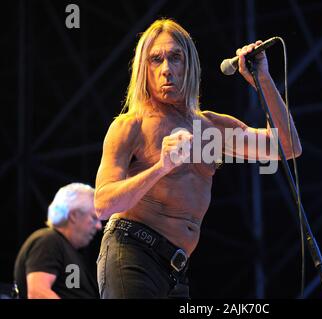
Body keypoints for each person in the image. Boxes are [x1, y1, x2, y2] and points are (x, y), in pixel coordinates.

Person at [94, 18, 302, 299]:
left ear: (189, 65)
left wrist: (262, 79)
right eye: (156, 60)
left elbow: (286, 147)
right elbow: (103, 205)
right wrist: (161, 167)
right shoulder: (131, 125)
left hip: (176, 269)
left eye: (175, 58)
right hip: (131, 251)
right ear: (144, 69)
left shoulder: (212, 128)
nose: (166, 69)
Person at [14, 183, 102, 299]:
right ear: (73, 215)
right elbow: (38, 293)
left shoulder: (68, 250)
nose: (99, 226)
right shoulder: (48, 240)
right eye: (94, 218)